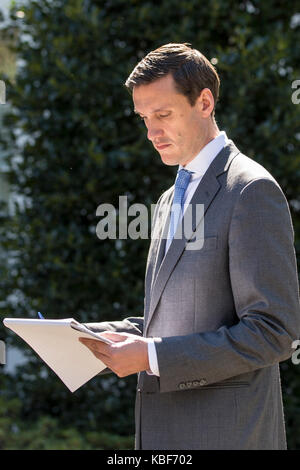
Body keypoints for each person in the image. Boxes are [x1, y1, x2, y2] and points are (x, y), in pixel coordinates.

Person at [79, 43, 300, 450]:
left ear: (204, 102)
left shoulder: (251, 190)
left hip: (227, 436)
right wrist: (82, 337)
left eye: (163, 115)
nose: (151, 132)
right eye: (144, 118)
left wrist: (151, 357)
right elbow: (170, 322)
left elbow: (275, 332)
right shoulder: (169, 199)